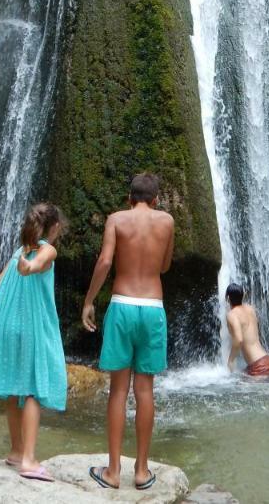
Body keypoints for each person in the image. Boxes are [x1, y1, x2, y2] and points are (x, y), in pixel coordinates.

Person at [82, 172, 175, 491]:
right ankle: (141, 470)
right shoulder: (166, 221)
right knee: (145, 390)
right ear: (156, 199)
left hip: (122, 304)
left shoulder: (116, 219)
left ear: (129, 198)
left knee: (119, 390)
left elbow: (106, 261)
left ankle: (112, 471)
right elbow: (164, 266)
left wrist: (89, 300)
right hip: (152, 307)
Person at [0, 202, 68, 482]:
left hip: (8, 325)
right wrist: (31, 267)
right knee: (34, 389)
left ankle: (15, 451)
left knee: (13, 387)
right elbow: (40, 261)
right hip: (32, 326)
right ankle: (29, 461)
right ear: (55, 226)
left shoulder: (17, 252)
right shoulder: (48, 249)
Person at [224, 284, 269, 378]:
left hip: (259, 367)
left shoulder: (231, 315)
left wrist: (230, 361)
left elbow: (239, 340)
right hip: (266, 360)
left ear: (228, 298)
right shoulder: (250, 308)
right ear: (243, 295)